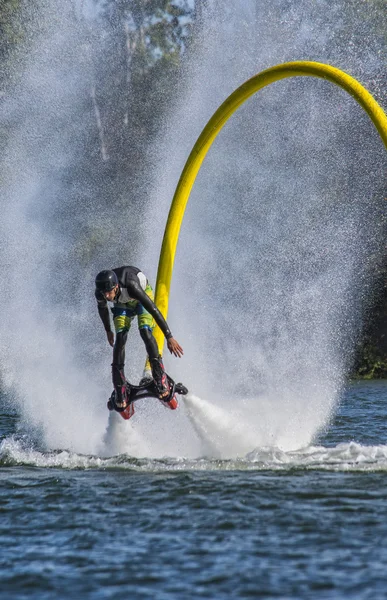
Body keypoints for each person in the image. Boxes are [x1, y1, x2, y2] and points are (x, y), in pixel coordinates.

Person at [95, 266, 183, 409]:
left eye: (108, 293)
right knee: (120, 339)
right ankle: (121, 389)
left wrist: (169, 336)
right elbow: (103, 309)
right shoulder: (101, 292)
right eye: (104, 294)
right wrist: (107, 330)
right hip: (122, 304)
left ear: (116, 287)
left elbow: (154, 310)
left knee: (145, 332)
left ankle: (160, 379)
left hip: (140, 298)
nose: (106, 296)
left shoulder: (131, 286)